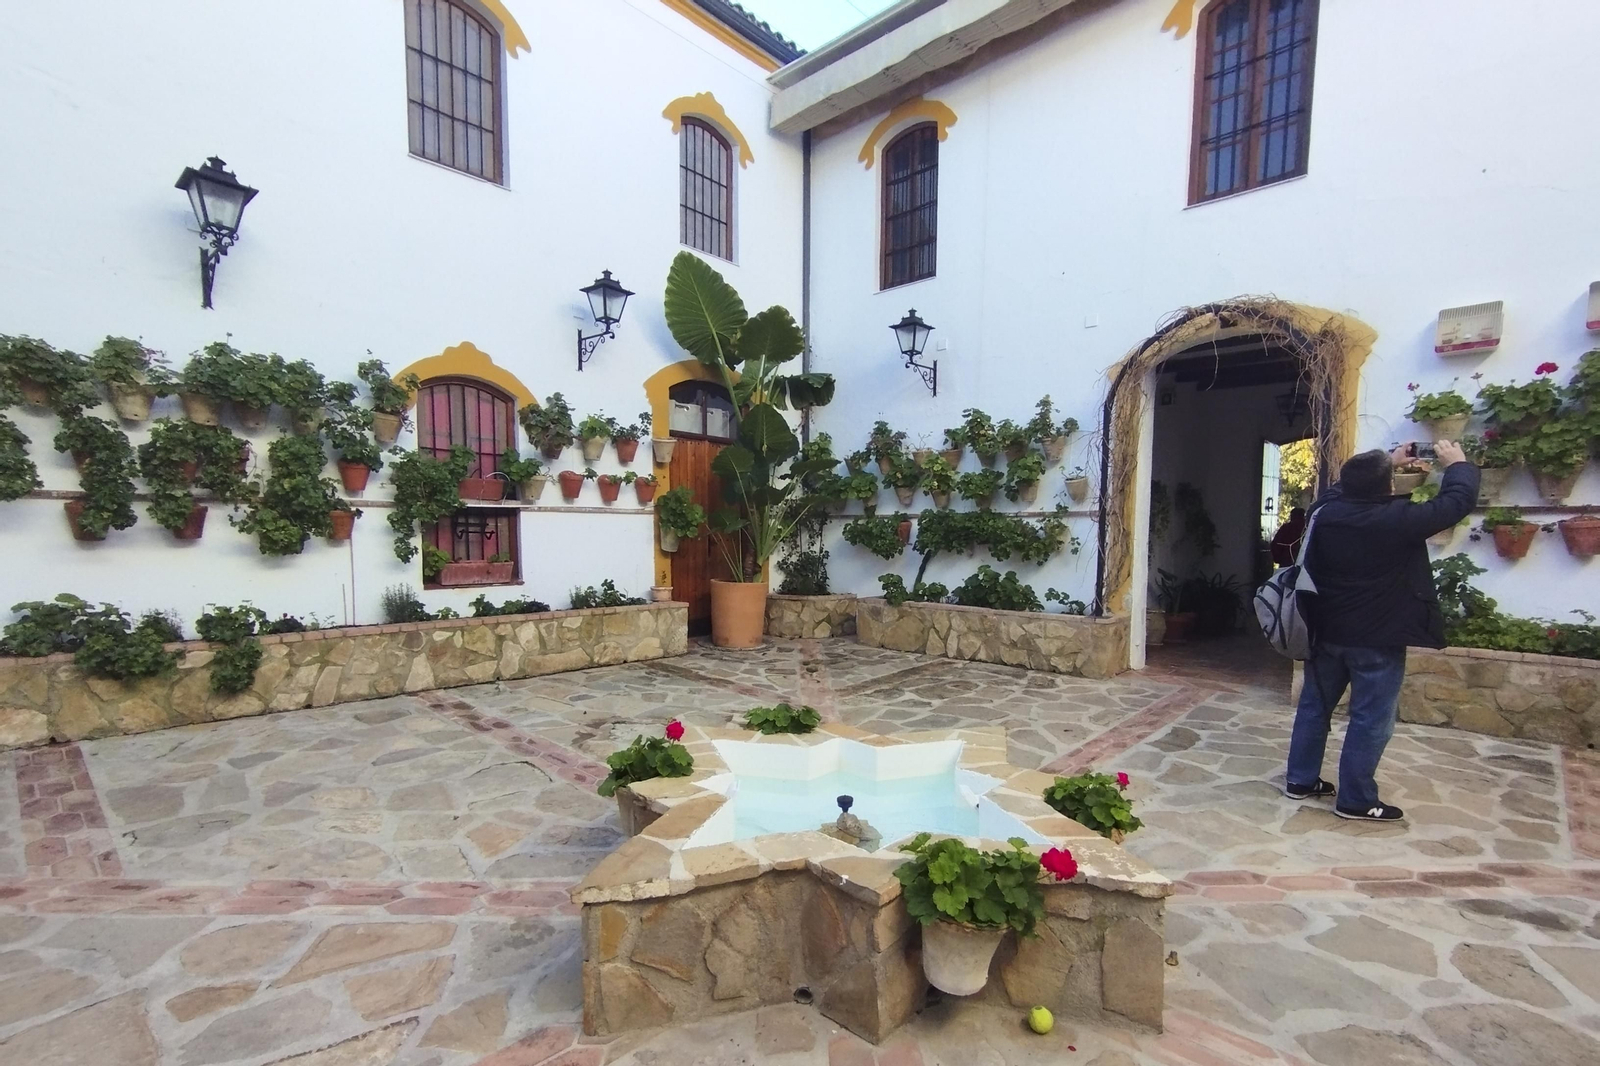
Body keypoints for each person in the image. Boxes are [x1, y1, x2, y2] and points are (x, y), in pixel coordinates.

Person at [1284, 440, 1478, 821]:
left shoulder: (1326, 511)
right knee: (1371, 718)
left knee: (1314, 707)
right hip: (1377, 639)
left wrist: (1384, 463)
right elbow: (1455, 503)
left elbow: (1339, 489)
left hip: (1326, 632)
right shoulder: (1397, 519)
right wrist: (1458, 465)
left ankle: (1299, 781)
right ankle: (1355, 799)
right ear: (1389, 487)